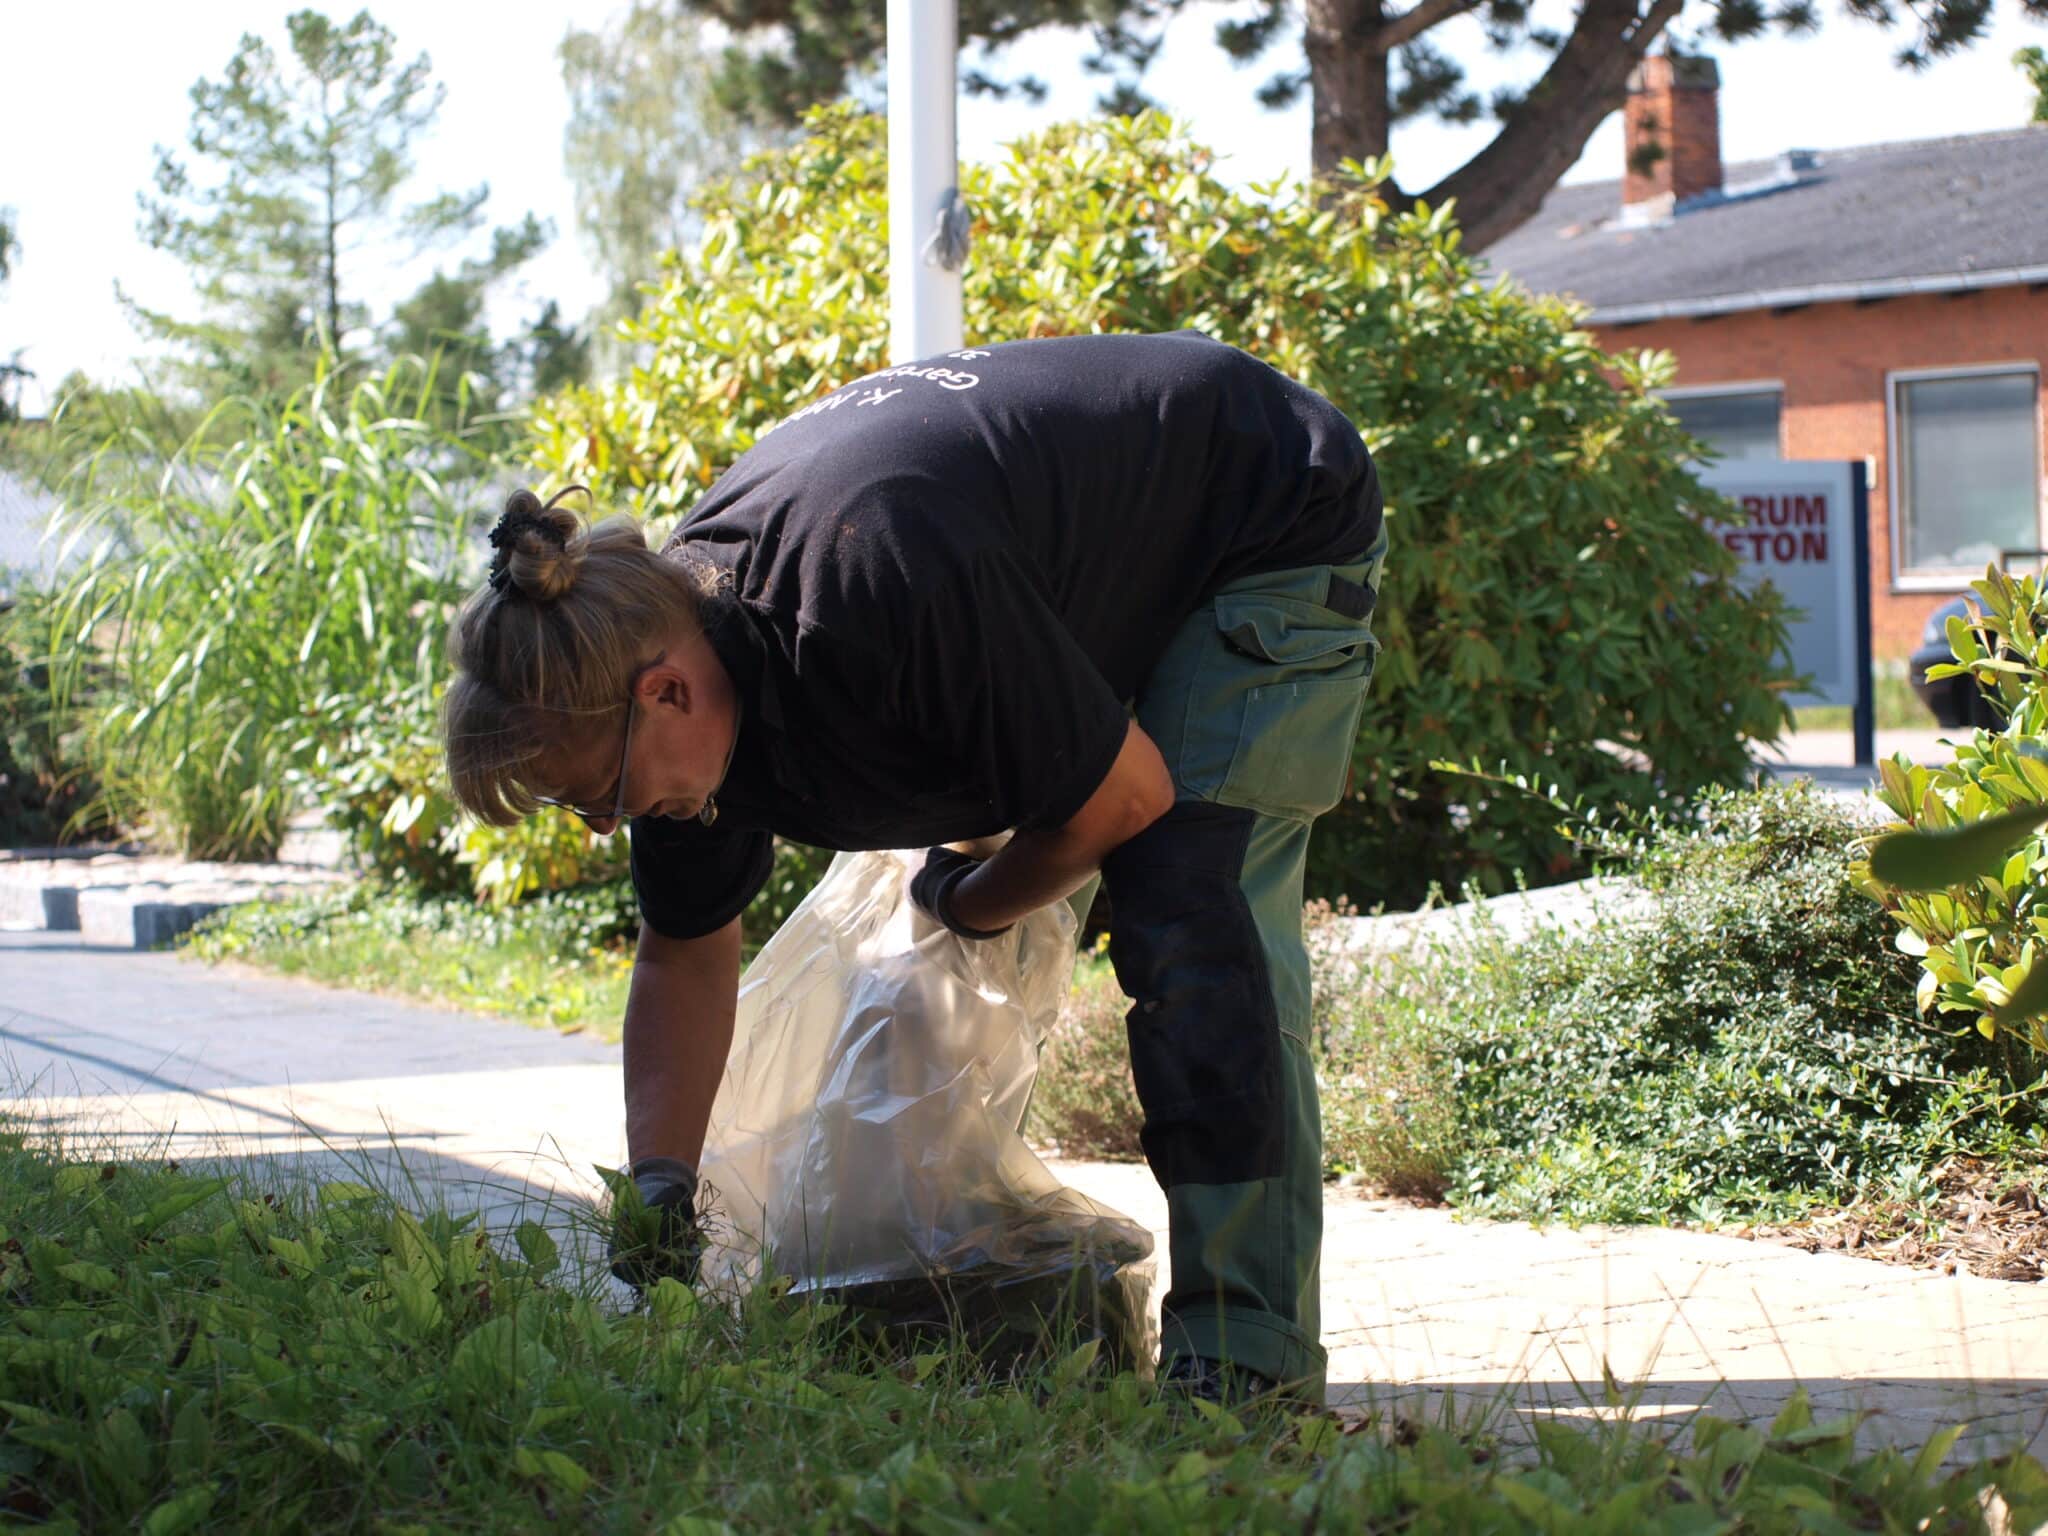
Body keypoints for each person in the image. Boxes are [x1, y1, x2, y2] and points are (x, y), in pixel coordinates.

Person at [442, 330, 1387, 1408]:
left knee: (1190, 907)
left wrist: (969, 901)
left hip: (1260, 504)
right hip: (1066, 555)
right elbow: (683, 954)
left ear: (666, 695)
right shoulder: (663, 672)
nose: (611, 827)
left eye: (601, 795)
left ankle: (1247, 1365)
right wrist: (659, 1183)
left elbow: (1123, 800)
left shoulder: (863, 583)